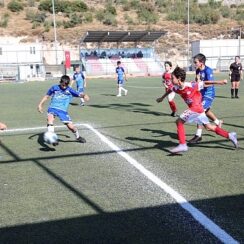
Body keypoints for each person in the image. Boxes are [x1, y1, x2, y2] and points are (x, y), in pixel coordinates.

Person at [156, 66, 238, 154]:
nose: (171, 80)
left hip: (196, 108)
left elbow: (205, 83)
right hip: (199, 110)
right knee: (209, 127)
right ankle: (230, 135)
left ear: (179, 79)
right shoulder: (176, 87)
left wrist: (220, 82)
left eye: (173, 78)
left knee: (179, 121)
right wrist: (161, 98)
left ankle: (183, 145)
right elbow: (170, 90)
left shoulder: (191, 85)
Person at [38, 75, 89, 145]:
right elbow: (47, 96)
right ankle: (53, 138)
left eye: (66, 85)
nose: (64, 87)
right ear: (60, 82)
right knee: (50, 119)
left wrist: (84, 95)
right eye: (63, 85)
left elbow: (79, 94)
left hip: (62, 111)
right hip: (53, 107)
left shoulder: (69, 90)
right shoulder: (54, 88)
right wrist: (40, 104)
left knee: (71, 127)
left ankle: (78, 137)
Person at [188, 53, 223, 144]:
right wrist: (195, 81)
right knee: (206, 111)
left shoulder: (208, 70)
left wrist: (200, 82)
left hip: (208, 94)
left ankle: (198, 135)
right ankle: (218, 122)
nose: (194, 64)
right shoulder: (198, 71)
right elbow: (197, 82)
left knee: (199, 111)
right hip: (201, 94)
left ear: (201, 62)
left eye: (196, 62)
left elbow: (210, 83)